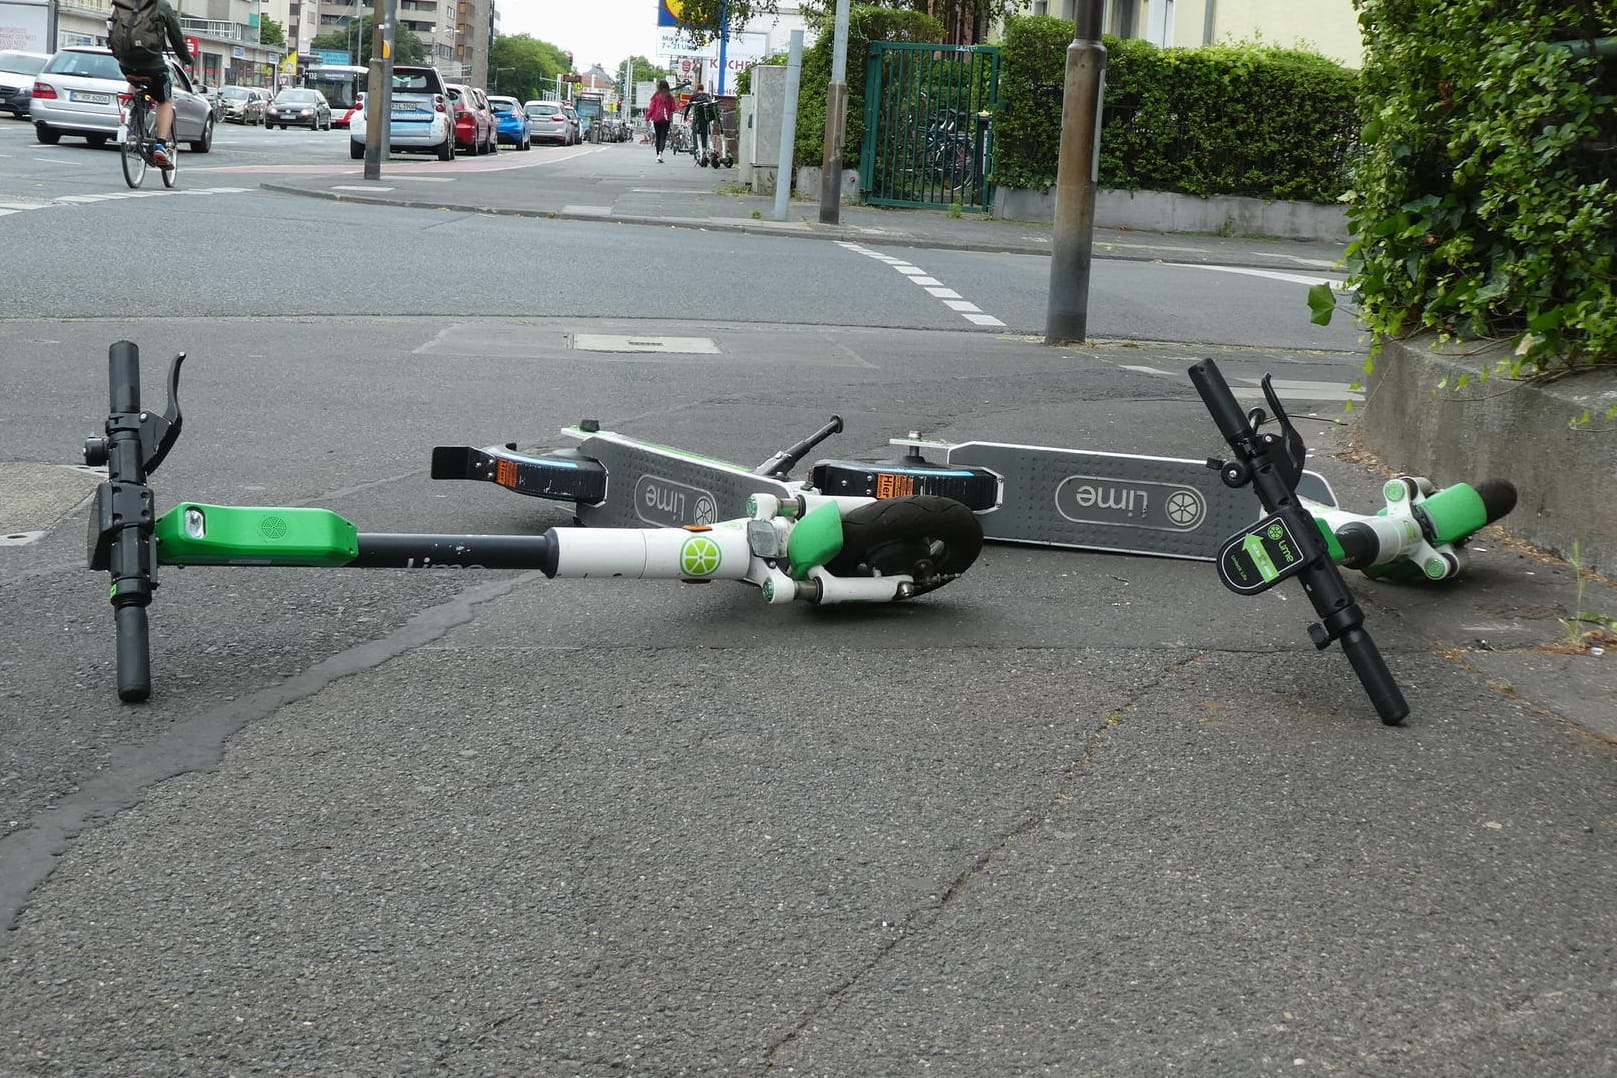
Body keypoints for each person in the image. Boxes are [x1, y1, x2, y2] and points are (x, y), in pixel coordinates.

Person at [111, 0, 192, 168]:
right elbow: (176, 36)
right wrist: (186, 58)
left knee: (134, 79)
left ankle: (129, 116)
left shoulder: (123, 3)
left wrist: (121, 58)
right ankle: (160, 146)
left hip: (126, 64)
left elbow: (113, 32)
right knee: (165, 100)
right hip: (152, 65)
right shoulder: (161, 5)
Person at [683, 82, 719, 163]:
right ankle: (705, 149)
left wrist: (685, 117)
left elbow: (688, 106)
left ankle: (698, 151)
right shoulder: (707, 96)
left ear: (697, 89)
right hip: (707, 119)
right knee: (705, 135)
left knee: (696, 134)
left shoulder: (694, 96)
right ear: (703, 89)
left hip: (697, 119)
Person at [646, 78, 676, 163]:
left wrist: (648, 117)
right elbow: (673, 108)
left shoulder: (655, 96)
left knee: (658, 137)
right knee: (663, 137)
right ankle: (660, 154)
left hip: (656, 119)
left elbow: (651, 108)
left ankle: (657, 156)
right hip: (666, 119)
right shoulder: (670, 96)